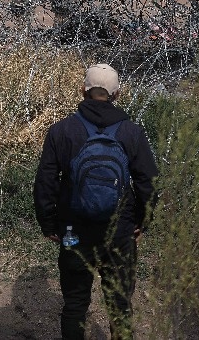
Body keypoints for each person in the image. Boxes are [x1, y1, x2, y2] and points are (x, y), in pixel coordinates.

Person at [33, 64, 158, 340]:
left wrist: (49, 223)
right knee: (120, 305)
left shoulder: (62, 131)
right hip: (120, 231)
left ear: (83, 91)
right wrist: (141, 222)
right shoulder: (131, 133)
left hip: (73, 230)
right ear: (117, 94)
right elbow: (148, 183)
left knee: (76, 305)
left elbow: (46, 181)